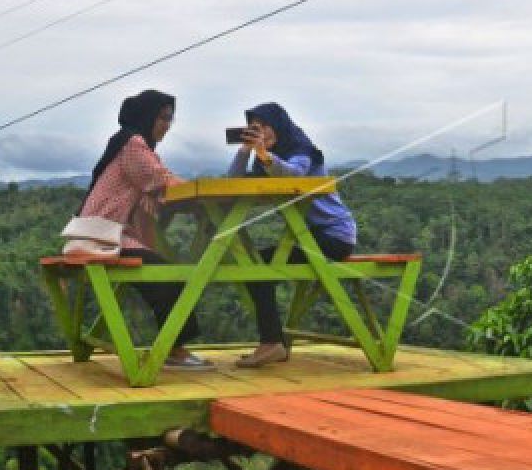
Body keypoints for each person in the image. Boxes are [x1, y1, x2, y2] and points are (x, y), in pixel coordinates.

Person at [75, 89, 214, 370]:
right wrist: (202, 193)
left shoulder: (130, 143)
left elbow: (157, 183)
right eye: (163, 117)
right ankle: (175, 350)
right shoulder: (134, 145)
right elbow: (160, 180)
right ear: (148, 115)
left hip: (101, 233)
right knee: (168, 276)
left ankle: (173, 346)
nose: (167, 125)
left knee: (164, 271)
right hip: (104, 236)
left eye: (171, 119)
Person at [227, 102, 357, 368]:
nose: (261, 133)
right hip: (308, 238)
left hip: (334, 236)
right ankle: (272, 343)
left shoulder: (302, 151)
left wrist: (263, 153)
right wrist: (245, 150)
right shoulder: (267, 157)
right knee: (254, 264)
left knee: (260, 266)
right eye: (254, 129)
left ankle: (271, 343)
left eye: (263, 126)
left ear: (278, 124)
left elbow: (295, 173)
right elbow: (234, 181)